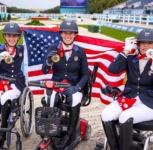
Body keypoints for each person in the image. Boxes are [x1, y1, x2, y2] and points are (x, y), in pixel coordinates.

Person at [101, 29, 153, 150]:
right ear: (138, 44)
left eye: (150, 43)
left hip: (149, 103)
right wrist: (125, 51)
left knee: (125, 116)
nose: (146, 45)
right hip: (129, 98)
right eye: (143, 42)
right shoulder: (131, 59)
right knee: (106, 114)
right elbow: (112, 69)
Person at [42, 19, 89, 149]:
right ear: (61, 34)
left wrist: (77, 87)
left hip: (73, 86)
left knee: (74, 99)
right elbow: (44, 70)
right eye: (65, 33)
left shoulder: (80, 51)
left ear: (75, 35)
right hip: (56, 85)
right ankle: (49, 132)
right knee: (48, 98)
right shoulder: (53, 48)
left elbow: (85, 74)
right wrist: (48, 61)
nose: (68, 36)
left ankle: (69, 134)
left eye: (71, 33)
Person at [0, 22, 25, 149]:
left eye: (15, 36)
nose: (12, 38)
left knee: (5, 98)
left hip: (15, 83)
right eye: (9, 36)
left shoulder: (21, 50)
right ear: (5, 36)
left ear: (18, 37)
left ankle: (2, 136)